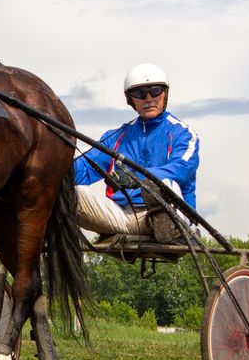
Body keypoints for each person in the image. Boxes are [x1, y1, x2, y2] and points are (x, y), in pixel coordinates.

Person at [73, 63, 199, 243]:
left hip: (169, 212)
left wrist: (134, 178)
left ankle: (167, 225)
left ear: (165, 94)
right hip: (121, 218)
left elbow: (181, 169)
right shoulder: (115, 137)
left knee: (164, 184)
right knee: (65, 190)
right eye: (140, 93)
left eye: (155, 91)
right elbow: (80, 170)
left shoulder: (183, 133)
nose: (148, 98)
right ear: (130, 100)